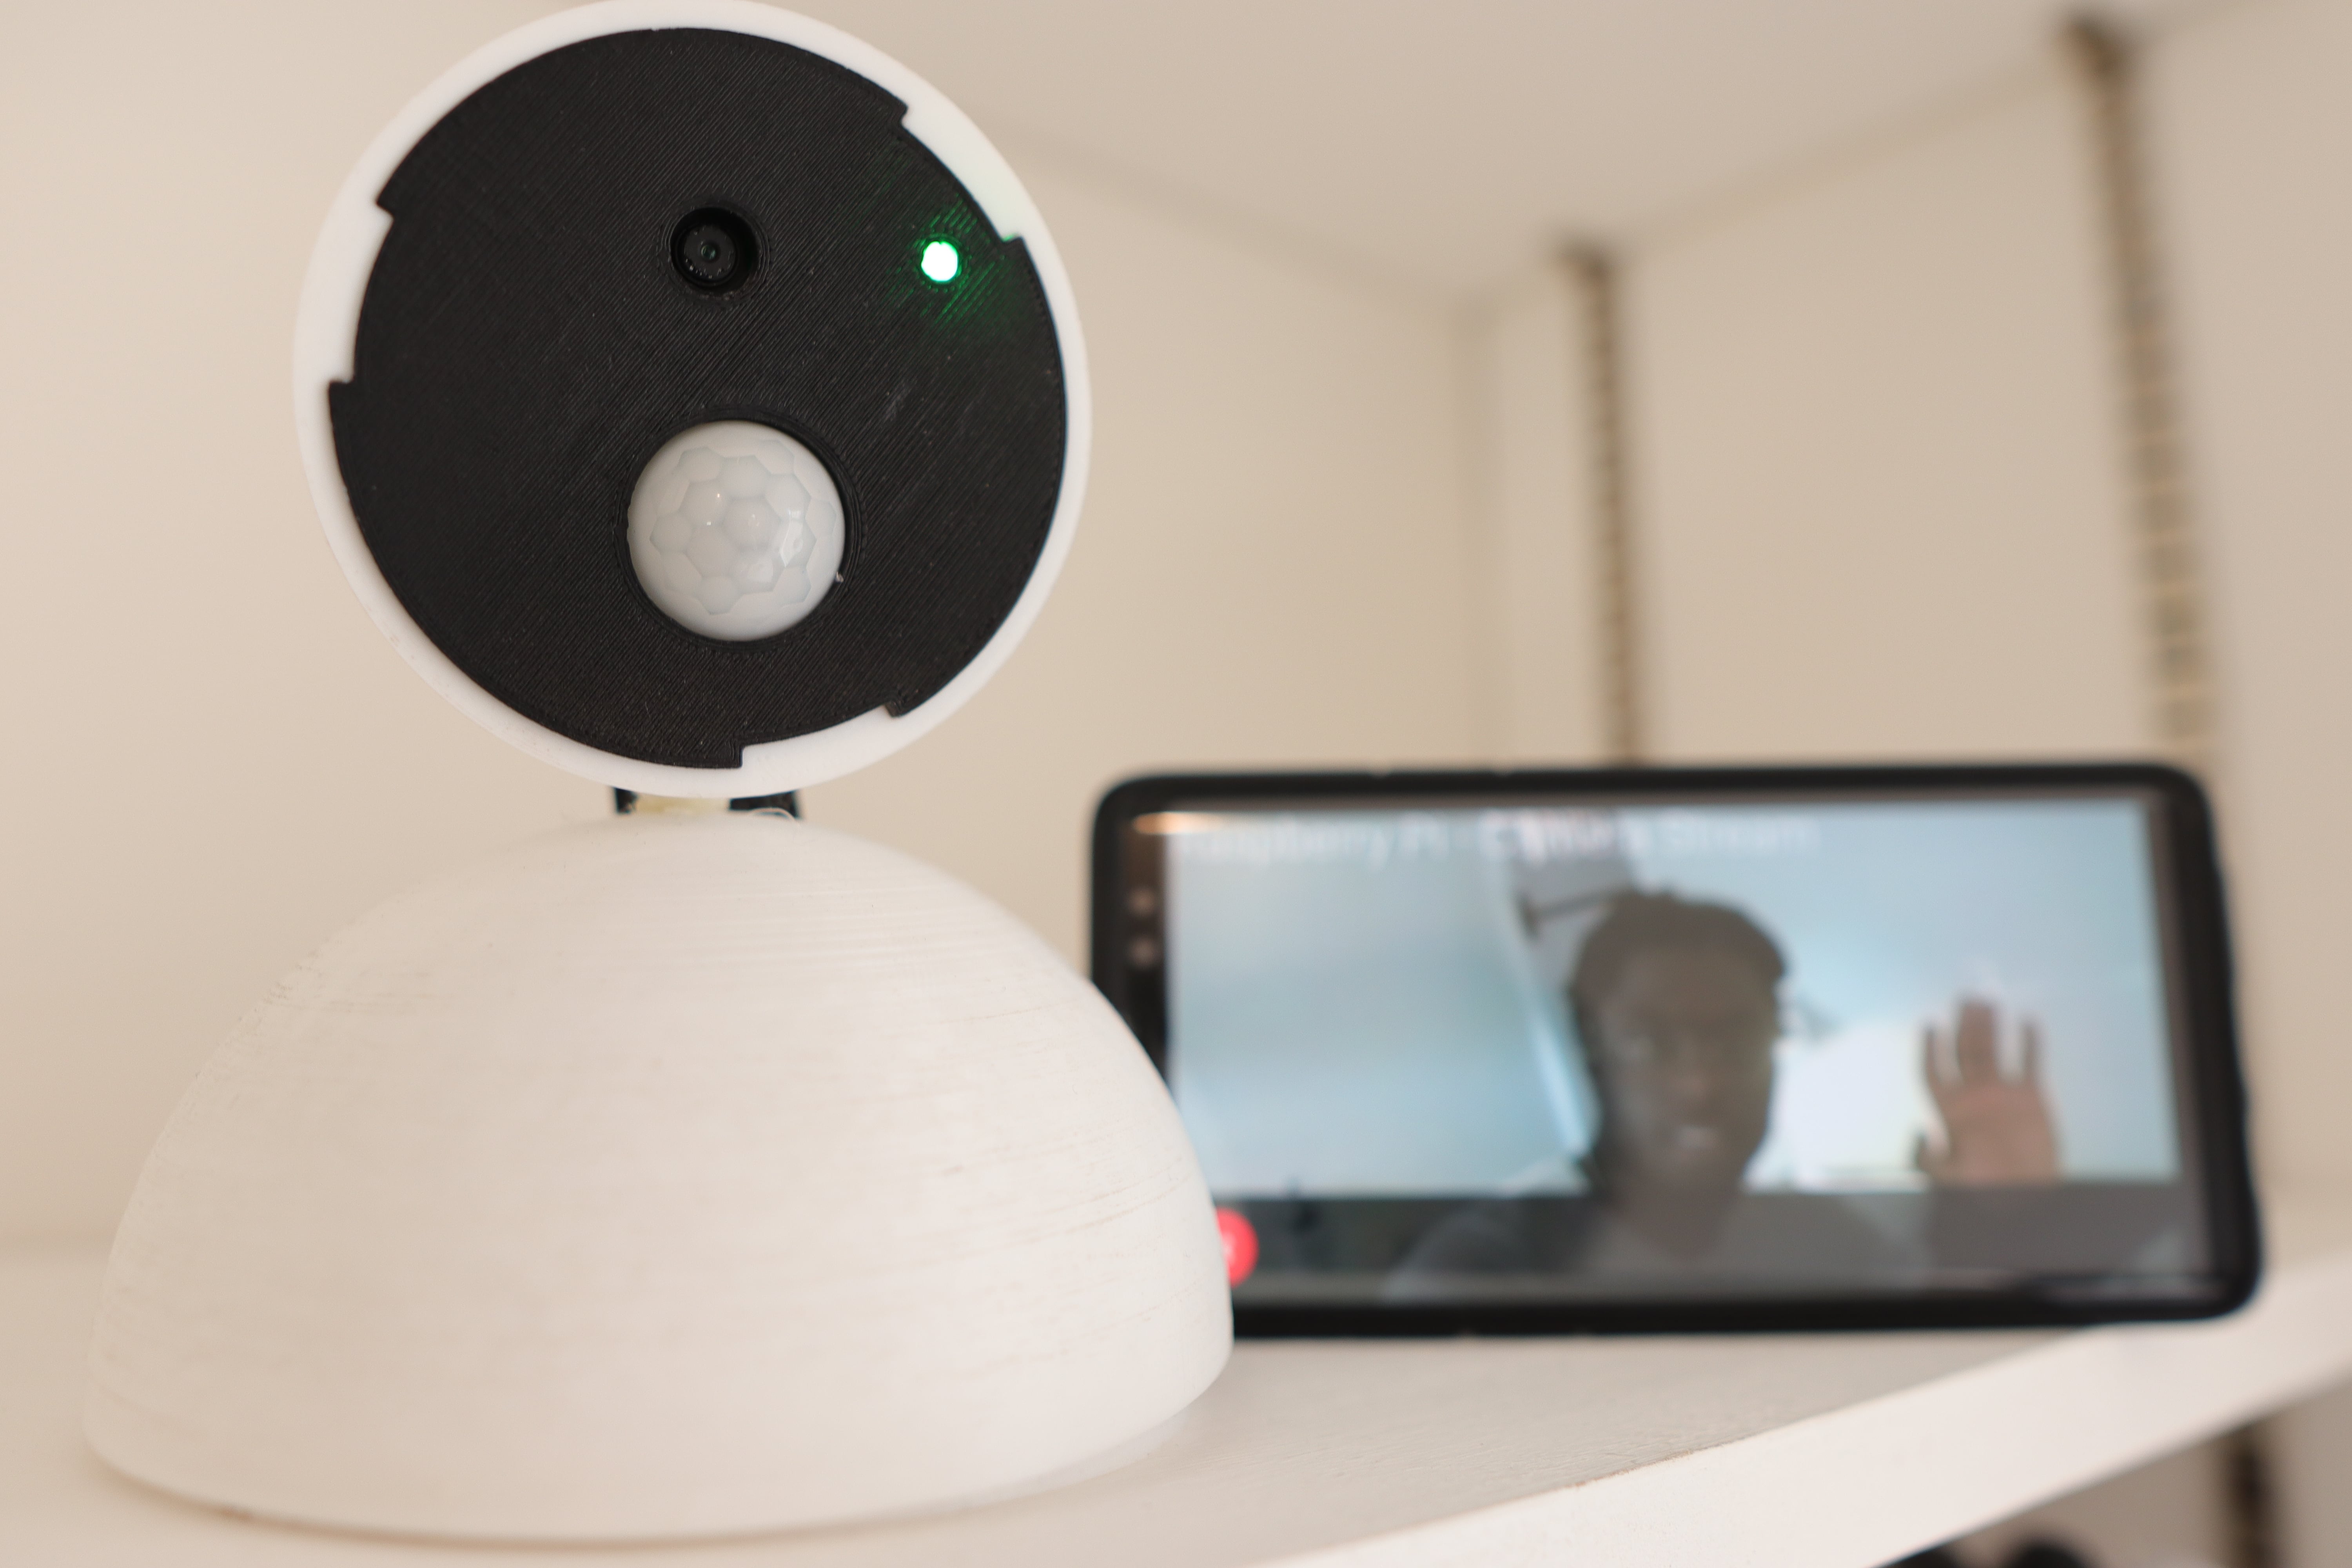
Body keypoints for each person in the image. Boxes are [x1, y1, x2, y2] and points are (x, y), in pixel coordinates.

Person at [1387, 891, 2060, 1292]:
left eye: (1734, 1041)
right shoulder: (1482, 1267)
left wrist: (1997, 1217)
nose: (1698, 1083)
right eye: (1651, 1043)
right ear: (1594, 1053)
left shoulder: (1827, 1243)